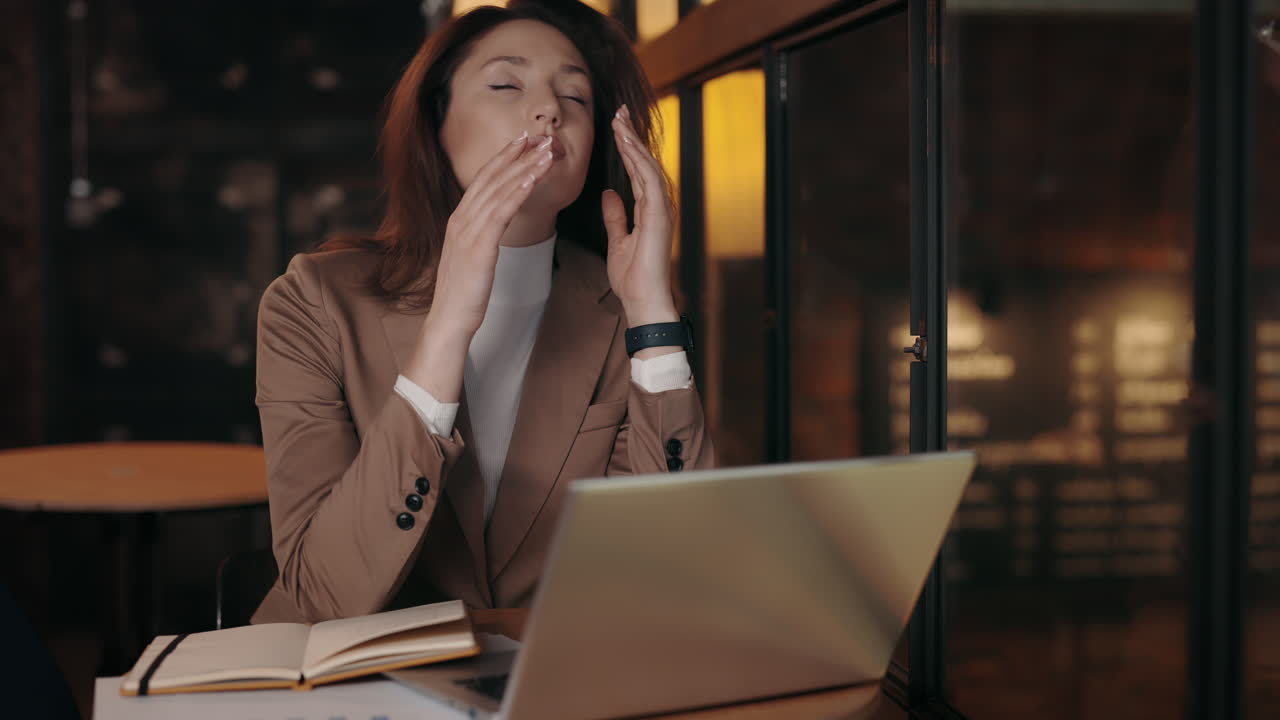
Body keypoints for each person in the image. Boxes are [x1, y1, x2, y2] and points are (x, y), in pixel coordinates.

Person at [251, 0, 714, 624]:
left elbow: (676, 564)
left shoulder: (623, 311)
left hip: (550, 681)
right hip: (357, 682)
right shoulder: (313, 301)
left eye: (575, 99)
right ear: (436, 123)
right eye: (505, 84)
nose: (549, 109)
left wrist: (652, 314)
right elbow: (320, 597)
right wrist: (447, 328)